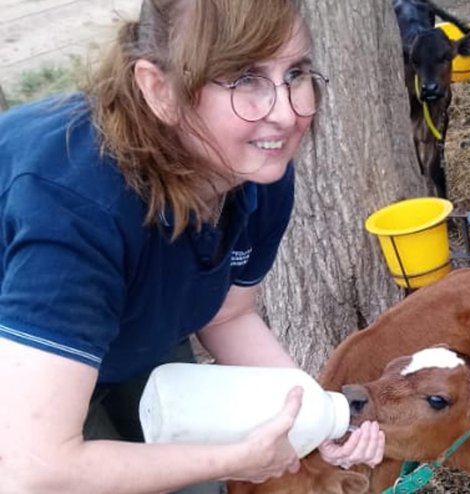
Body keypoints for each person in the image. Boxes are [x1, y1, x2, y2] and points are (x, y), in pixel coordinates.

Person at [0, 1, 384, 492]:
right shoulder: (76, 204)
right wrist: (231, 459)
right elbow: (36, 468)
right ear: (159, 89)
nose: (286, 113)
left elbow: (229, 313)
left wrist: (316, 417)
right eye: (245, 77)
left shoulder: (255, 173)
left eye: (296, 72)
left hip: (125, 336)